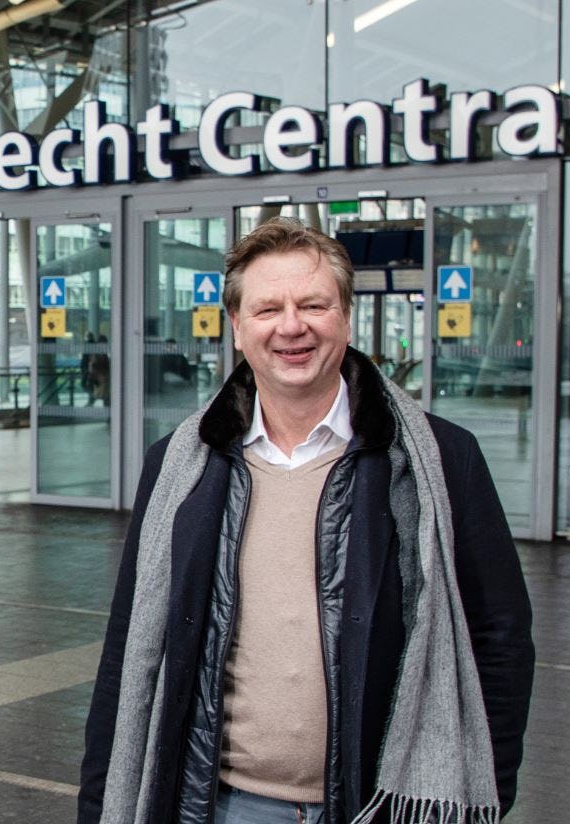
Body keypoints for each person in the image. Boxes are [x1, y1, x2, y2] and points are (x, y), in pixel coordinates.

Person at [78, 218, 534, 824]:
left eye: (313, 304)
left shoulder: (442, 460)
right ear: (237, 328)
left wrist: (483, 790)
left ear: (345, 317)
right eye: (268, 309)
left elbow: (499, 640)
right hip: (222, 807)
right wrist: (96, 804)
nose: (292, 326)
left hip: (383, 804)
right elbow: (126, 653)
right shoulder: (179, 469)